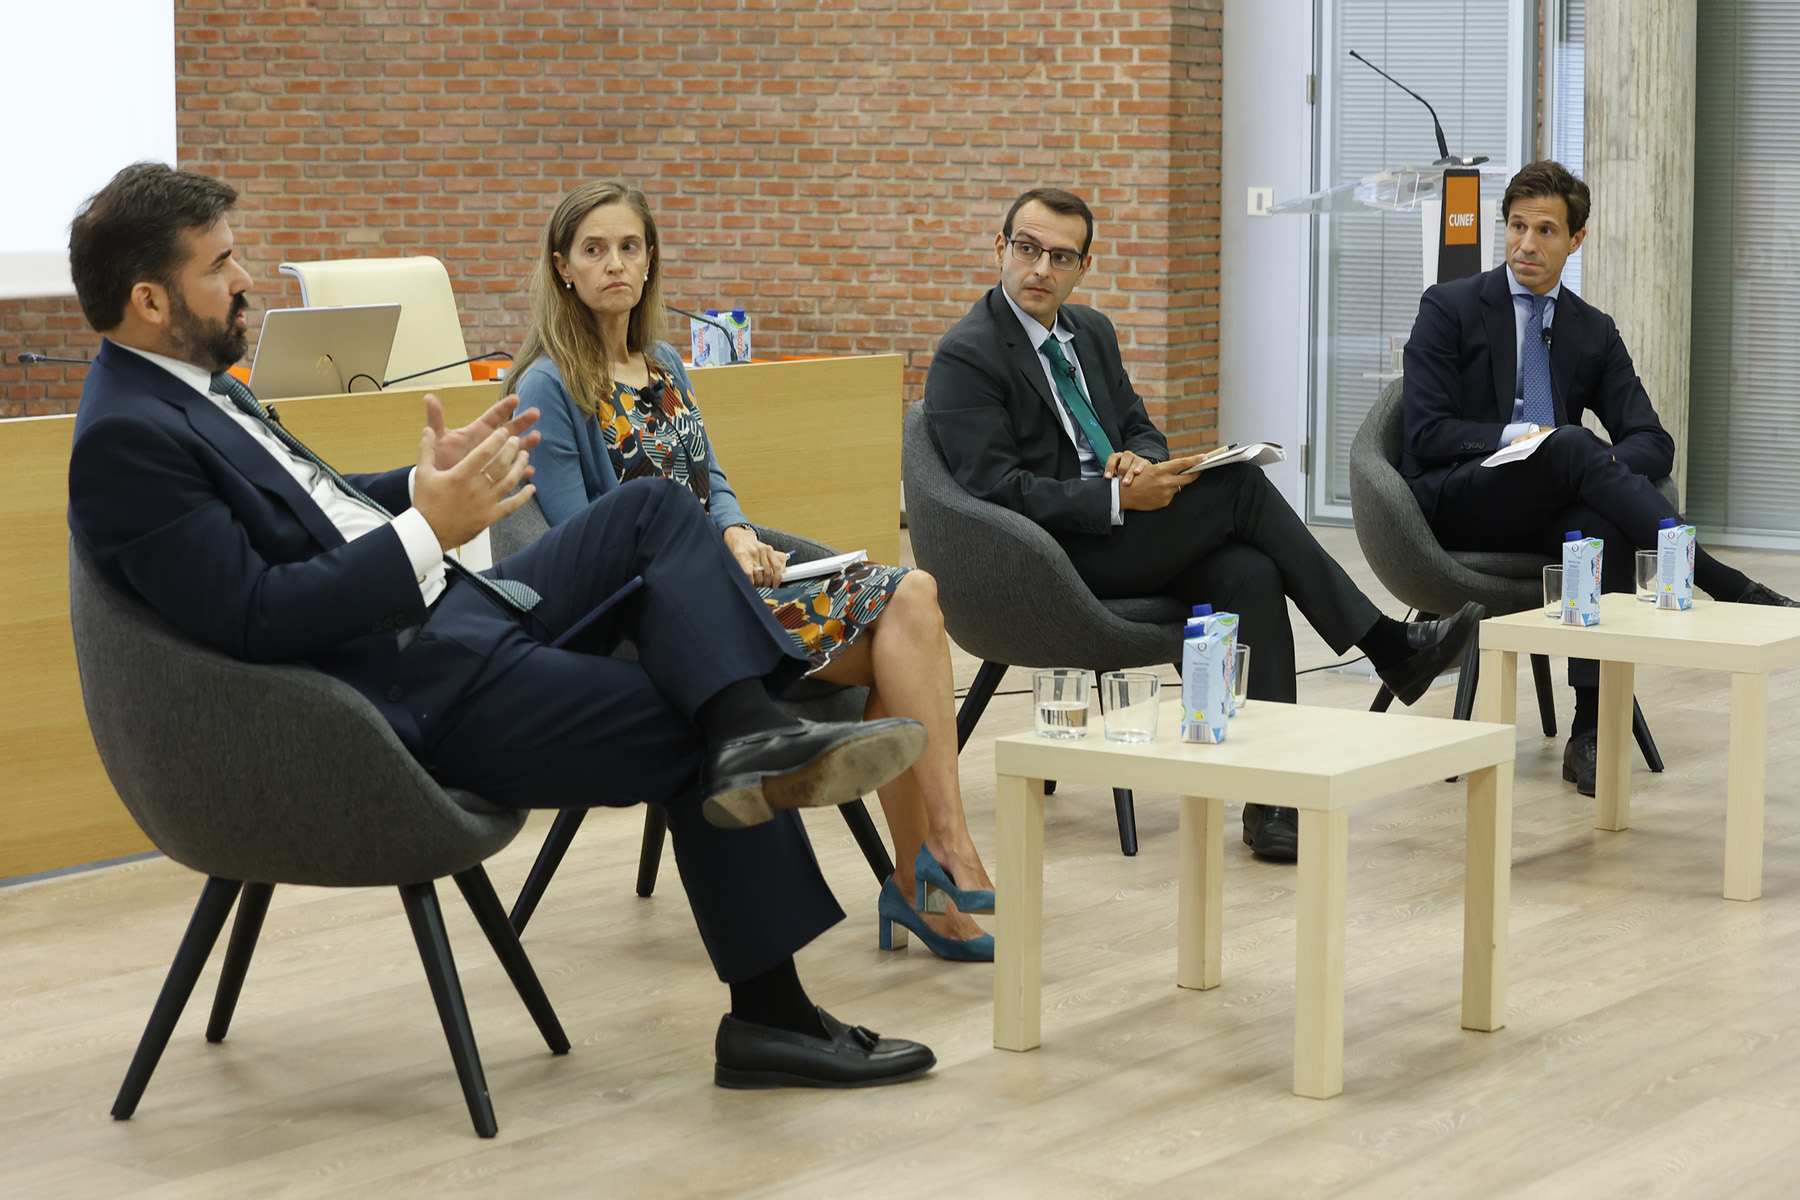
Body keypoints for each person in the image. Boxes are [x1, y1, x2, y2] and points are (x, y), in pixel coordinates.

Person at [64, 162, 939, 1090]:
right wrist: (425, 531)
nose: (245, 279)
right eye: (220, 265)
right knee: (690, 721)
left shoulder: (191, 385)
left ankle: (749, 729)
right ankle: (772, 1015)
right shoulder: (128, 438)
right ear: (151, 299)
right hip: (406, 689)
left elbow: (311, 506)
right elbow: (253, 616)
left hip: (449, 618)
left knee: (649, 511)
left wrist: (419, 484)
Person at [510, 180, 996, 962]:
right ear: (562, 267)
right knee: (902, 644)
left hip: (734, 588)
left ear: (650, 259)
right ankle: (929, 876)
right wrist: (712, 560)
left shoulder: (665, 362)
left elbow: (712, 479)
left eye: (629, 247)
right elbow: (580, 542)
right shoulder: (549, 384)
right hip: (658, 621)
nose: (615, 265)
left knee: (915, 595)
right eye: (594, 250)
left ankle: (938, 852)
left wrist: (735, 532)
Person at [922, 186, 1480, 863]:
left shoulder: (1089, 332)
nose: (1041, 268)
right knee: (1238, 485)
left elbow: (1138, 426)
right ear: (1000, 248)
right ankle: (1387, 644)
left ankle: (1273, 803)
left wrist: (1138, 460)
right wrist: (1117, 499)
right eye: (1027, 248)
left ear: (1082, 268)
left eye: (1061, 257)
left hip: (1118, 533)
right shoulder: (968, 353)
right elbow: (996, 489)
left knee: (1251, 572)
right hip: (1049, 555)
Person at [1400, 160, 1797, 796]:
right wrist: (1527, 440)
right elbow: (1424, 434)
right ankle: (1723, 582)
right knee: (1568, 444)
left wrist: (1591, 469)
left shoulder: (1591, 330)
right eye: (1517, 227)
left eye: (1546, 231)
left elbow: (1653, 441)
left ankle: (1588, 730)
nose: (1527, 244)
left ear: (1576, 239)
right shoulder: (1449, 307)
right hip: (1461, 497)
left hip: (1549, 500)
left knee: (1595, 521)